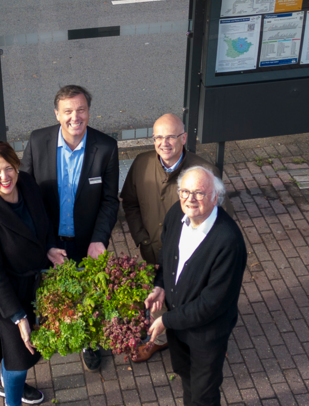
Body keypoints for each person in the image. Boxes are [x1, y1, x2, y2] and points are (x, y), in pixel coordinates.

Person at [120, 113, 236, 362]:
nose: (164, 143)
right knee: (159, 297)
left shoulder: (205, 172)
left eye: (171, 136)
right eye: (158, 137)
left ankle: (210, 343)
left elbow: (223, 221)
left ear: (183, 138)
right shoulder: (141, 163)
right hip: (155, 252)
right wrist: (142, 237)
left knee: (202, 302)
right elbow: (129, 202)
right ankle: (159, 339)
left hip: (196, 260)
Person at [20, 84, 119, 372]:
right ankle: (54, 330)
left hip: (88, 242)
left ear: (89, 111)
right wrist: (46, 242)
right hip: (49, 240)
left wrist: (100, 240)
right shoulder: (38, 142)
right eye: (67, 111)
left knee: (89, 294)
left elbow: (110, 201)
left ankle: (89, 340)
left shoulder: (106, 147)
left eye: (81, 110)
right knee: (50, 291)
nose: (75, 117)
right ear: (57, 114)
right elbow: (25, 192)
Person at [0, 141, 68, 406]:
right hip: (7, 297)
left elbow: (43, 223)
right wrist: (18, 316)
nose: (5, 177)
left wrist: (49, 248)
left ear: (17, 166)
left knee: (28, 351)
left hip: (35, 285)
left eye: (9, 168)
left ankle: (7, 384)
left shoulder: (28, 185)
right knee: (19, 357)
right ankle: (11, 399)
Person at [145, 166, 247, 406]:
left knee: (204, 393)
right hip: (179, 327)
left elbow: (212, 304)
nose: (190, 199)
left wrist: (166, 321)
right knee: (185, 376)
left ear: (214, 198)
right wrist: (159, 285)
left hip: (206, 334)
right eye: (185, 191)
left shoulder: (228, 241)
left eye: (199, 193)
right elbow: (166, 256)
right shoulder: (175, 215)